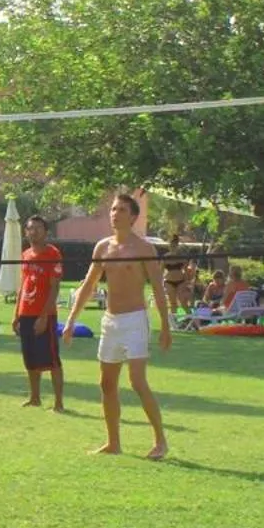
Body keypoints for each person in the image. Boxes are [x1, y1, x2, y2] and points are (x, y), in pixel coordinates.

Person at [61, 192, 172, 460]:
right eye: (112, 209)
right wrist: (71, 319)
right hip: (110, 322)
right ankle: (113, 443)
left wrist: (166, 327)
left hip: (135, 320)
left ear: (133, 217)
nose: (115, 214)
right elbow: (88, 285)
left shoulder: (144, 249)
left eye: (121, 210)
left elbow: (158, 288)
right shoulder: (102, 247)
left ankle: (160, 441)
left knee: (137, 381)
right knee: (106, 384)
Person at [14, 214, 66, 411]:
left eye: (37, 228)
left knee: (52, 359)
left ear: (46, 232)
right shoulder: (25, 255)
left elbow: (55, 288)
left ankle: (58, 402)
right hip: (25, 313)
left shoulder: (53, 254)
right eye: (30, 228)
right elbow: (23, 286)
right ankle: (35, 397)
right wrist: (16, 315)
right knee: (30, 358)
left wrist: (44, 316)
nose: (33, 232)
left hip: (45, 314)